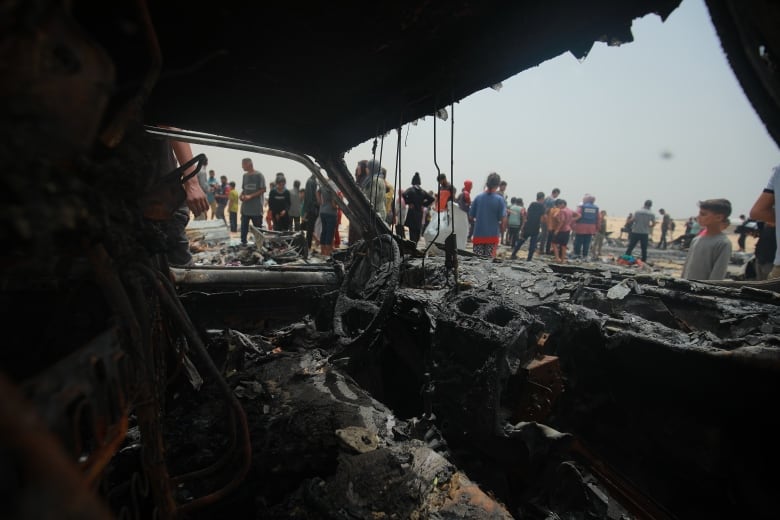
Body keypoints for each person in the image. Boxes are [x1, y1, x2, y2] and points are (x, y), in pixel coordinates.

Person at [159, 138, 209, 266]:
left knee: (179, 261)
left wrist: (191, 183)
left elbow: (171, 126)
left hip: (162, 192)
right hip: (156, 194)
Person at [681, 199, 733, 280]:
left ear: (718, 217)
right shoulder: (696, 239)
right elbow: (687, 267)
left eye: (703, 214)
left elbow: (718, 274)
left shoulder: (723, 243)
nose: (698, 217)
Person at [749, 164, 780, 279]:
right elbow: (758, 212)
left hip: (771, 260)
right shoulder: (764, 222)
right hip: (763, 257)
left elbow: (757, 212)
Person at [468, 172, 507, 258]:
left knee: (477, 261)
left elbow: (470, 217)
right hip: (492, 237)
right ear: (498, 185)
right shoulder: (500, 200)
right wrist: (502, 232)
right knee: (488, 264)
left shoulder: (478, 198)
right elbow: (503, 220)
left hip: (478, 236)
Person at [239, 157, 266, 245]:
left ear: (249, 164)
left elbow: (263, 189)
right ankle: (243, 243)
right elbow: (244, 189)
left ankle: (259, 245)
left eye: (243, 164)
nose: (242, 167)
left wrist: (250, 196)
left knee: (258, 230)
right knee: (243, 229)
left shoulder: (259, 175)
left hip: (256, 209)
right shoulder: (244, 176)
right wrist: (241, 195)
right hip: (245, 208)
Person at [402, 172, 435, 245]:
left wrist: (409, 202)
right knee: (417, 231)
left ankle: (412, 247)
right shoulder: (422, 191)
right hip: (419, 214)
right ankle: (415, 246)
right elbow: (432, 199)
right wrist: (423, 204)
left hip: (412, 213)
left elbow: (404, 194)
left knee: (412, 232)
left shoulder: (411, 189)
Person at [511, 192, 545, 261]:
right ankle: (529, 259)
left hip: (528, 225)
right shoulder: (542, 207)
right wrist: (542, 226)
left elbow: (527, 214)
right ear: (542, 198)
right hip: (535, 226)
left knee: (521, 240)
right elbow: (542, 218)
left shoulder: (532, 204)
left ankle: (513, 254)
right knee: (533, 243)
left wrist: (524, 225)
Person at [317, 175, 340, 256]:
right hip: (331, 212)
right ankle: (327, 253)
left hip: (323, 211)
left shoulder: (324, 183)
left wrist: (320, 201)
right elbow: (334, 202)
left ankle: (322, 251)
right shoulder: (333, 185)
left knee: (324, 231)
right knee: (329, 233)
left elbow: (318, 192)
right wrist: (337, 206)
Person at [572, 194, 599, 258]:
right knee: (587, 243)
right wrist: (597, 228)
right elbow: (598, 219)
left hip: (580, 227)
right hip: (591, 228)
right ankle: (585, 255)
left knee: (578, 242)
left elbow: (576, 215)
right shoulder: (596, 208)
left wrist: (572, 225)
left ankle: (577, 254)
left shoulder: (582, 207)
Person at [551, 199, 577, 263]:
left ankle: (557, 258)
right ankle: (562, 259)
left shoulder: (562, 211)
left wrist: (557, 230)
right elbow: (579, 215)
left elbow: (561, 221)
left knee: (554, 243)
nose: (558, 206)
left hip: (562, 229)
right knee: (563, 245)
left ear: (562, 204)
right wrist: (572, 220)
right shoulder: (570, 210)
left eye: (559, 205)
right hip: (568, 229)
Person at [303, 172, 320, 250]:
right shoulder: (311, 181)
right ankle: (308, 246)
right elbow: (309, 198)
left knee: (311, 229)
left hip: (313, 208)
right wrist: (306, 212)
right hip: (312, 209)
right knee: (310, 229)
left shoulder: (313, 181)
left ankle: (308, 245)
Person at [541, 188, 560, 255]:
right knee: (545, 234)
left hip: (544, 218)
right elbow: (547, 209)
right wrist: (545, 215)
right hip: (546, 219)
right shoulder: (551, 200)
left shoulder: (547, 198)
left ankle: (541, 248)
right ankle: (542, 249)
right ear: (555, 193)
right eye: (557, 194)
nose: (557, 195)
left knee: (544, 234)